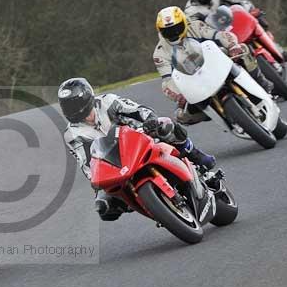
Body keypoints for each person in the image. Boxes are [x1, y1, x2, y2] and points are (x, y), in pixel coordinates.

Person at [58, 78, 216, 221]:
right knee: (104, 208)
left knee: (165, 125)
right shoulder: (72, 134)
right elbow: (86, 163)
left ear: (87, 98)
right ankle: (144, 204)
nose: (76, 110)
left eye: (76, 104)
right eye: (69, 107)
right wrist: (98, 183)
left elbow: (137, 110)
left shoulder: (108, 101)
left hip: (140, 138)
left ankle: (196, 156)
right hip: (113, 164)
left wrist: (150, 120)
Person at [153, 5, 273, 125]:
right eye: (167, 31)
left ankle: (262, 82)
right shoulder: (160, 53)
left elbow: (220, 35)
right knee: (180, 116)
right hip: (192, 81)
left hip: (215, 62)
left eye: (177, 28)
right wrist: (178, 95)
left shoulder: (196, 26)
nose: (173, 33)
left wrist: (232, 46)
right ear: (160, 31)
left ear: (184, 22)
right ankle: (213, 113)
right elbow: (167, 80)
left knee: (243, 49)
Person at [184, 0, 287, 61]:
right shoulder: (190, 10)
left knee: (258, 19)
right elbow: (195, 29)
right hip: (219, 35)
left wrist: (249, 10)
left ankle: (278, 49)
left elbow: (240, 1)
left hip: (234, 21)